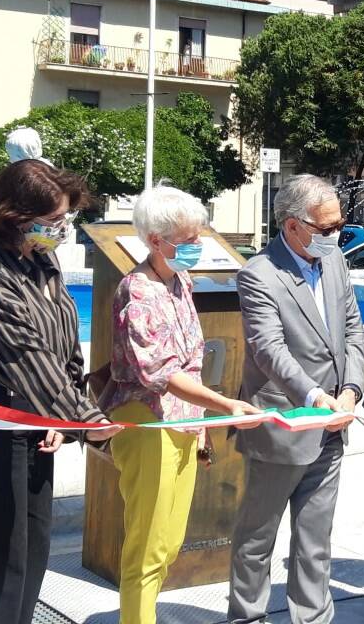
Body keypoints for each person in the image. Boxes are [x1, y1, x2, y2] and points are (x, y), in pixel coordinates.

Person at [98, 184, 262, 624]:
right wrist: (225, 405)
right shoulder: (138, 292)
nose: (198, 246)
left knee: (169, 543)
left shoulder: (179, 280)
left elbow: (189, 363)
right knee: (148, 547)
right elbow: (160, 373)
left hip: (183, 423)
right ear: (156, 240)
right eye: (189, 240)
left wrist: (201, 425)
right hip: (147, 421)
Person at [0, 159, 119, 624]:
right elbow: (25, 355)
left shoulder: (43, 258)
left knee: (36, 545)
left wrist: (63, 416)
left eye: (65, 218)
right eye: (54, 221)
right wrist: (85, 422)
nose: (62, 229)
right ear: (15, 215)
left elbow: (62, 339)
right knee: (2, 557)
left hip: (42, 419)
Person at [229, 175, 364, 624]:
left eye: (339, 226)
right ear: (293, 226)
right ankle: (247, 616)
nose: (335, 236)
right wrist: (312, 396)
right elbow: (268, 348)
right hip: (283, 425)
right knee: (258, 537)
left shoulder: (334, 263)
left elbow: (352, 329)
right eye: (326, 228)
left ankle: (312, 617)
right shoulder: (259, 274)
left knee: (315, 539)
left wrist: (350, 390)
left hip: (332, 424)